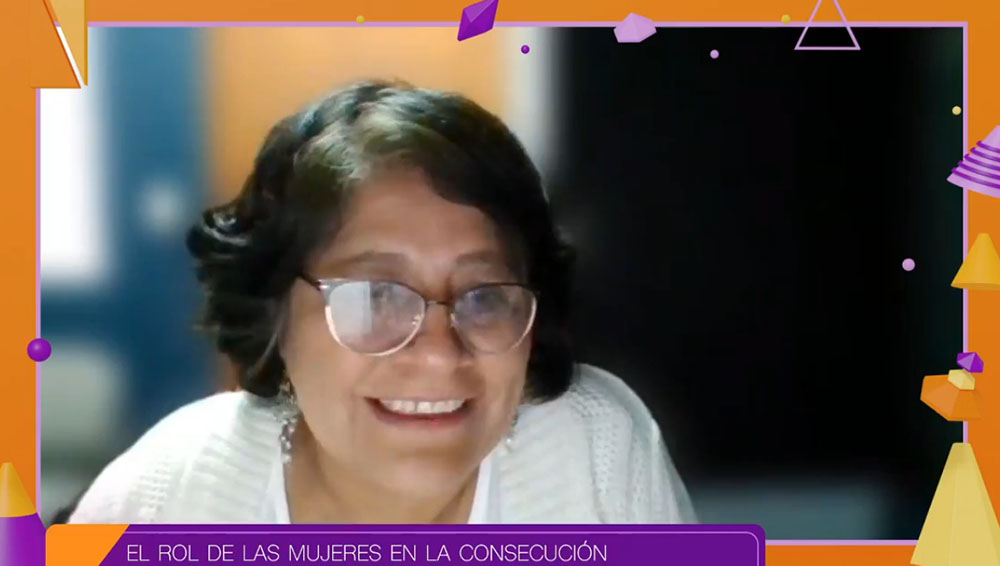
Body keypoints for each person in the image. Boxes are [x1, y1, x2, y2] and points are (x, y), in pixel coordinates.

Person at [69, 80, 696, 524]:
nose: (439, 355)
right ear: (274, 316)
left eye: (484, 298)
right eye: (375, 297)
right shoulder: (168, 497)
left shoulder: (595, 454)